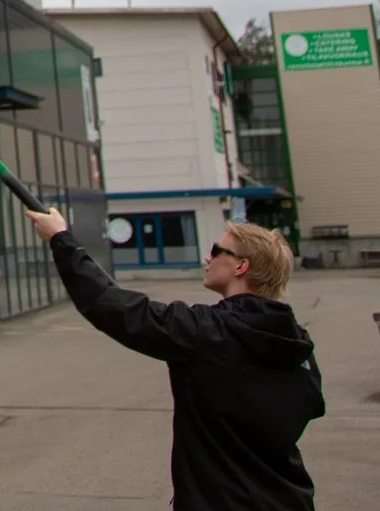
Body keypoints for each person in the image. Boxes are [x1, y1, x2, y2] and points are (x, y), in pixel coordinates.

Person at [24, 208, 324, 510]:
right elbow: (308, 407)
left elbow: (115, 308)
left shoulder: (208, 332)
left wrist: (60, 239)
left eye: (217, 251)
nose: (208, 258)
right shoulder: (299, 347)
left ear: (241, 266)